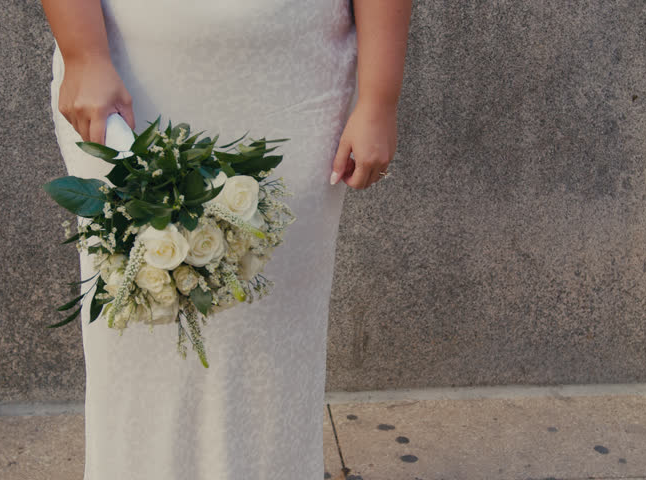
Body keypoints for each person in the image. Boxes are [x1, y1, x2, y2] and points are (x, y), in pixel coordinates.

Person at [42, 0, 411, 478]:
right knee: (137, 334)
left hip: (290, 74)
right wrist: (83, 55)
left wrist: (379, 98)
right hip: (125, 75)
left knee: (271, 330)